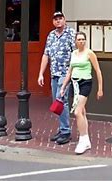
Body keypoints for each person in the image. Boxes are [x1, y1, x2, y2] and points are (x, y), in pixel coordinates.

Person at [60, 31, 103, 155]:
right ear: (75, 41)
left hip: (85, 83)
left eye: (83, 39)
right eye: (79, 39)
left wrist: (100, 88)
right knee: (82, 112)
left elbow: (98, 71)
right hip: (74, 84)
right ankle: (87, 140)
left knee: (77, 112)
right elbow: (69, 71)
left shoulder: (90, 53)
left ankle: (82, 139)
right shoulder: (73, 54)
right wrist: (63, 86)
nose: (81, 41)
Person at [37, 11, 75, 145]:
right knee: (56, 102)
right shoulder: (51, 35)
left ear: (65, 20)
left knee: (61, 100)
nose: (58, 21)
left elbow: (75, 53)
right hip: (54, 73)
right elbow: (46, 54)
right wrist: (41, 73)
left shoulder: (71, 33)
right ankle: (62, 127)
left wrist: (71, 72)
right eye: (56, 19)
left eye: (60, 18)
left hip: (65, 73)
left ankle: (66, 131)